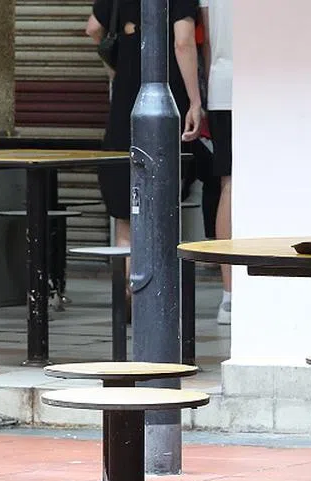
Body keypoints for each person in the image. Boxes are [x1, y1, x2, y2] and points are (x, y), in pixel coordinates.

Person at [86, 0, 204, 303]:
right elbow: (182, 41)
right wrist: (194, 100)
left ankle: (130, 296)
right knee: (160, 209)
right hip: (165, 104)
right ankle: (155, 298)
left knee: (126, 214)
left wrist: (116, 69)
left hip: (124, 105)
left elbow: (94, 28)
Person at [200, 0, 233, 325]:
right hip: (266, 86)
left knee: (229, 184)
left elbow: (207, 40)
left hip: (222, 86)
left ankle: (229, 294)